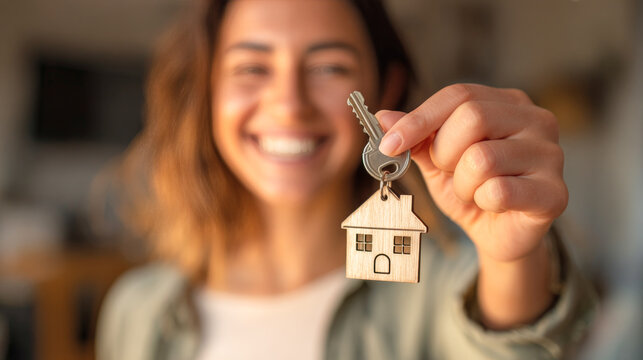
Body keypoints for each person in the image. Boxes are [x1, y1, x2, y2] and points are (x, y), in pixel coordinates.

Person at [96, 0, 597, 359]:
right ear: (207, 91)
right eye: (251, 66)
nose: (289, 103)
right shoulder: (136, 310)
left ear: (387, 86)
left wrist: (512, 259)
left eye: (330, 67)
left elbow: (510, 346)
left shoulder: (446, 288)